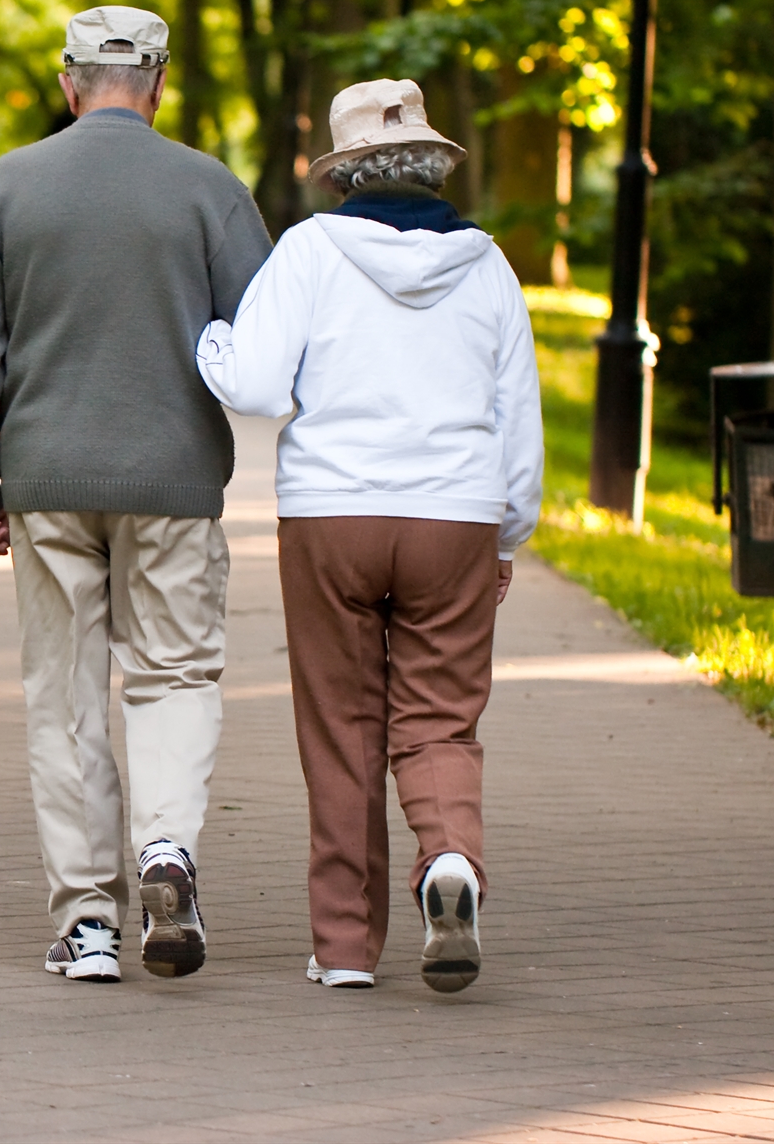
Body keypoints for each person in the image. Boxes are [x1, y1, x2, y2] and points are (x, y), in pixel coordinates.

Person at [0, 6, 273, 983]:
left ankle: (88, 919)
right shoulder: (210, 190)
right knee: (171, 676)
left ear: (66, 81)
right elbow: (263, 338)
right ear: (160, 80)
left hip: (45, 478)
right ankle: (165, 850)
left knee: (66, 693)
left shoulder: (9, 184)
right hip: (172, 481)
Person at [195, 78, 543, 993]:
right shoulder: (491, 265)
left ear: (345, 171)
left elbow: (262, 385)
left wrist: (211, 347)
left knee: (342, 725)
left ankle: (345, 948)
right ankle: (450, 861)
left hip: (333, 515)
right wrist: (508, 532)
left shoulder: (310, 252)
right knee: (439, 719)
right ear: (433, 166)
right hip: (455, 515)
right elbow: (519, 414)